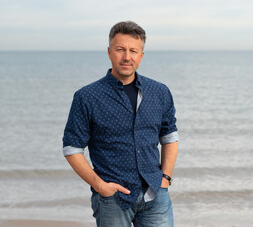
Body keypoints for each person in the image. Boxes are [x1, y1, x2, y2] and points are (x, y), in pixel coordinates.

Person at [62, 21, 178, 227]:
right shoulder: (87, 97)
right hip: (112, 199)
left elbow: (169, 137)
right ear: (109, 52)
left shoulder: (160, 92)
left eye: (133, 51)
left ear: (141, 56)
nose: (127, 57)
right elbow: (72, 149)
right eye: (120, 49)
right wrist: (100, 185)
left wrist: (165, 178)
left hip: (155, 194)